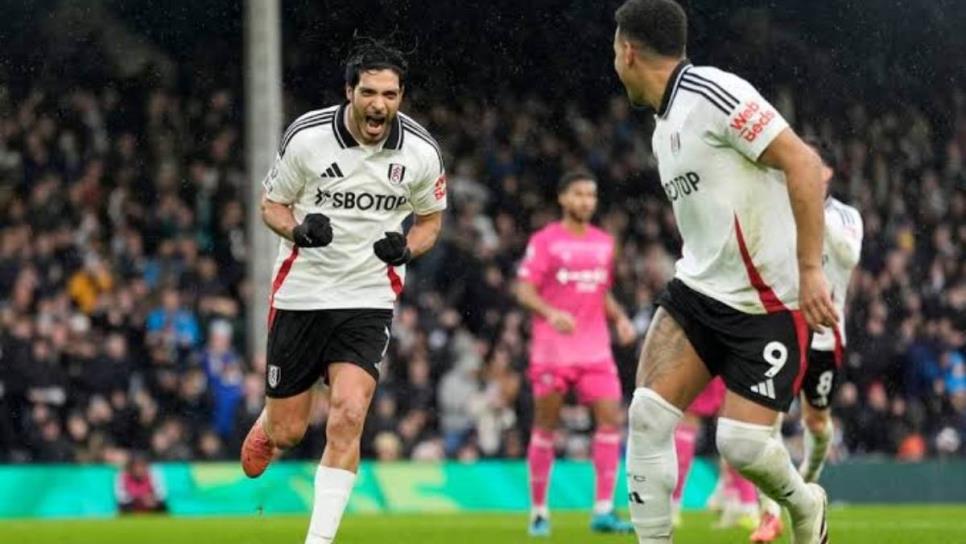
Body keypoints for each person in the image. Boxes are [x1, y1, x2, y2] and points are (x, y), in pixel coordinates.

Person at [611, 1, 838, 543]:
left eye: (614, 52)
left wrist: (810, 270)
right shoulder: (662, 126)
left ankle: (805, 505)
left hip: (769, 304)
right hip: (699, 293)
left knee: (742, 446)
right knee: (646, 417)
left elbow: (803, 162)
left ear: (628, 50)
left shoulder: (712, 92)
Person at [240, 39, 447, 544]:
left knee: (350, 412)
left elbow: (430, 221)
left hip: (368, 295)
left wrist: (407, 249)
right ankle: (271, 419)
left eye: (391, 94)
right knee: (291, 432)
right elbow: (272, 206)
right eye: (370, 92)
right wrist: (298, 231)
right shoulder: (308, 138)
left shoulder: (420, 151)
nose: (380, 104)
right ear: (349, 91)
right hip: (302, 293)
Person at [515, 170, 638, 536]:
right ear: (563, 199)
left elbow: (600, 292)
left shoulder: (604, 243)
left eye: (592, 195)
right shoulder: (545, 241)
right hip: (553, 352)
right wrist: (551, 313)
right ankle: (539, 511)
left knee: (611, 422)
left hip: (596, 350)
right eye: (579, 194)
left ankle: (602, 510)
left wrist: (620, 319)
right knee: (546, 427)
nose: (586, 201)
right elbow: (523, 289)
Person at [752, 142, 864, 542]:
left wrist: (811, 206)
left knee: (816, 421)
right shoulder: (778, 211)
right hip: (780, 329)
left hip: (826, 337)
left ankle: (807, 483)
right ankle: (767, 513)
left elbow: (848, 256)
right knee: (762, 424)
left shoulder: (846, 216)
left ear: (826, 172)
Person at [671, 378, 760, 531]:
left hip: (703, 360)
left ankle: (671, 507)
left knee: (689, 417)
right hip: (736, 361)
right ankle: (746, 506)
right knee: (734, 426)